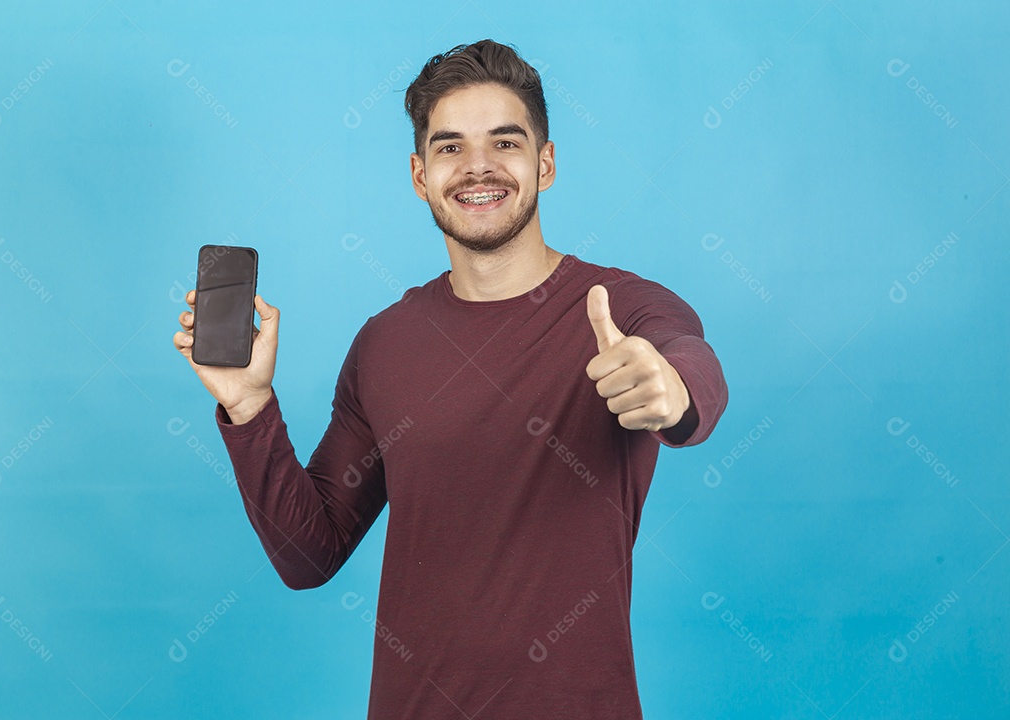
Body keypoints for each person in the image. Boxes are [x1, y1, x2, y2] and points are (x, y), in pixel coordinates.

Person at [173, 38, 728, 720]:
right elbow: (307, 555)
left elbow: (692, 364)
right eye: (450, 148)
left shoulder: (623, 308)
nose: (478, 169)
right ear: (419, 174)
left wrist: (670, 390)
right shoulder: (385, 341)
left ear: (545, 163)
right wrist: (250, 405)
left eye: (505, 142)